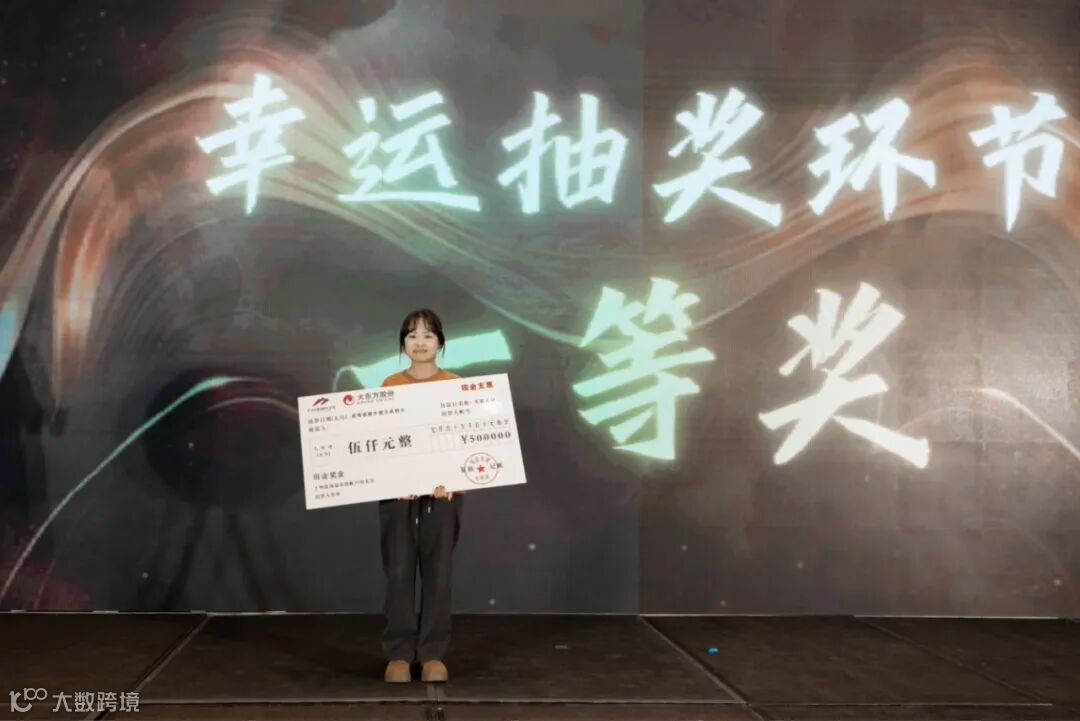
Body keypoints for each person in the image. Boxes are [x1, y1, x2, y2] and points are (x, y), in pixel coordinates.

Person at [378, 308, 465, 684]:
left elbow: (464, 441)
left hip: (444, 495)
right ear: (403, 344)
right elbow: (379, 442)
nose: (420, 342)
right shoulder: (390, 384)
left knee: (438, 572)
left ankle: (432, 654)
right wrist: (395, 480)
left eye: (428, 335)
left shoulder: (455, 385)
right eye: (412, 335)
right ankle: (399, 653)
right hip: (398, 494)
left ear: (440, 343)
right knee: (399, 571)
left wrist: (453, 480)